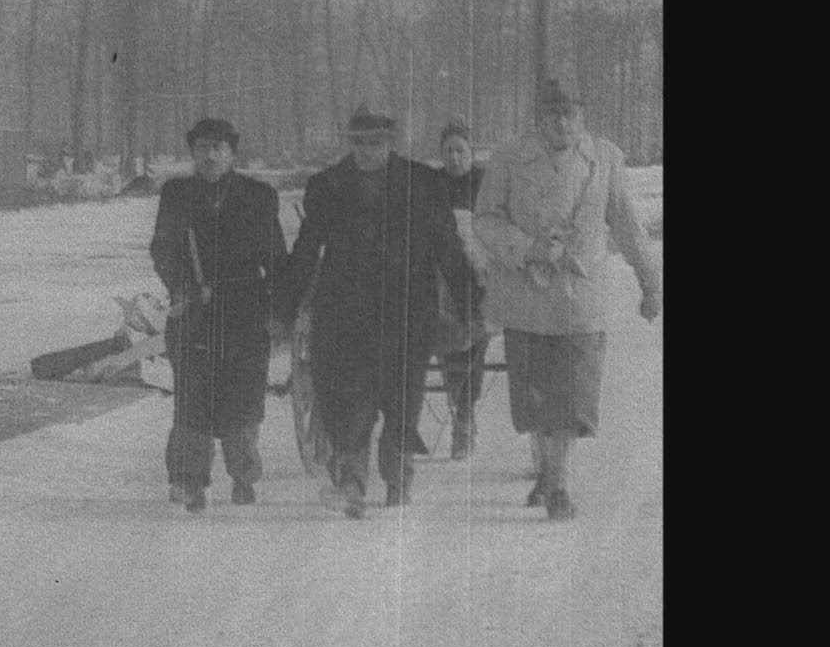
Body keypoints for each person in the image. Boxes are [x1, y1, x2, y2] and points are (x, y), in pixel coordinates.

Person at [274, 104, 473, 518]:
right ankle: (352, 482)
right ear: (350, 142)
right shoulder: (328, 186)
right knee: (349, 401)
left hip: (407, 313)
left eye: (376, 143)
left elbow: (448, 248)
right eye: (360, 143)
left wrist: (470, 303)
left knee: (403, 401)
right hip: (346, 313)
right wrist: (284, 307)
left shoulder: (423, 183)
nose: (367, 151)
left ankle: (398, 474)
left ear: (391, 141)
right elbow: (307, 250)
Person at [474, 79, 661, 521]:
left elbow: (628, 225)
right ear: (537, 118)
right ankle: (548, 471)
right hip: (528, 298)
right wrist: (528, 248)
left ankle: (558, 482)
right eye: (553, 114)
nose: (562, 123)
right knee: (536, 401)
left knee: (573, 399)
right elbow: (485, 220)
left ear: (582, 115)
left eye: (570, 113)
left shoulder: (605, 159)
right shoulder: (509, 159)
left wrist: (650, 281)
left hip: (582, 301)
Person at [149, 117, 286, 513]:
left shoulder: (258, 196)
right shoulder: (177, 194)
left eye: (218, 148)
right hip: (193, 310)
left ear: (231, 153)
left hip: (245, 312)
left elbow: (276, 258)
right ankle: (190, 480)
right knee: (192, 398)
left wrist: (275, 309)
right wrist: (182, 286)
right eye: (202, 148)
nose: (210, 156)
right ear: (192, 152)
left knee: (243, 399)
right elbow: (162, 249)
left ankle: (244, 476)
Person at [436, 119, 492, 461]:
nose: (454, 158)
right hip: (443, 274)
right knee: (447, 334)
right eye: (448, 151)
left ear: (472, 153)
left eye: (460, 151)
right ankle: (461, 413)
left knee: (473, 340)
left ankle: (465, 414)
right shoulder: (432, 185)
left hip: (480, 273)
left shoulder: (486, 183)